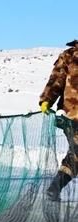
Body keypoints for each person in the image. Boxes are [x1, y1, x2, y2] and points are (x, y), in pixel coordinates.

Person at [40, 39, 78, 201]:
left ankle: (54, 189)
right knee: (76, 153)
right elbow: (56, 79)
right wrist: (47, 99)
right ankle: (54, 188)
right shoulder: (69, 56)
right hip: (72, 115)